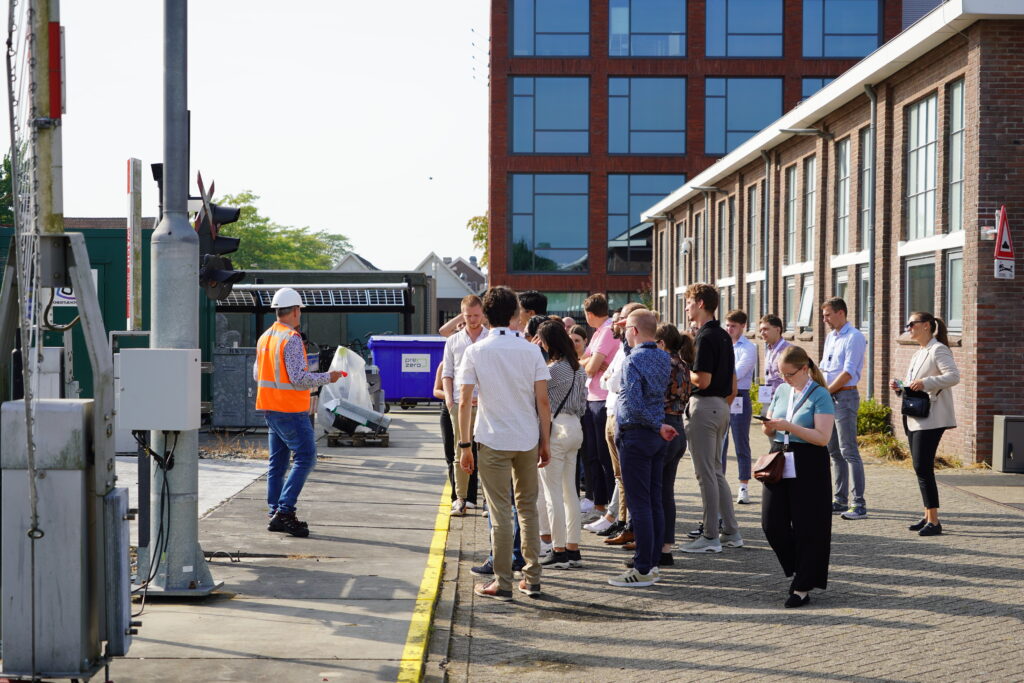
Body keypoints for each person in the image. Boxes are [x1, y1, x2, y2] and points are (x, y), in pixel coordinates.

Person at [457, 286, 551, 600]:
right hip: (527, 437)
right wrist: (545, 441)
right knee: (528, 509)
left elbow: (465, 401)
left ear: (485, 315)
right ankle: (533, 578)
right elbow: (543, 402)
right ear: (515, 314)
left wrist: (464, 445)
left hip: (492, 438)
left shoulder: (475, 351)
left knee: (499, 513)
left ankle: (503, 582)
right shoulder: (532, 350)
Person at [254, 287, 346, 537]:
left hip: (270, 408)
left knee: (278, 463)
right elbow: (298, 378)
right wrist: (330, 377)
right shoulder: (291, 338)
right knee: (306, 457)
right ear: (295, 311)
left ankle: (275, 511)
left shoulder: (266, 337)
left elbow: (256, 374)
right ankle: (284, 512)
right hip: (290, 410)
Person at [608, 309, 678, 587]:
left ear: (634, 331)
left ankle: (643, 568)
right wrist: (659, 425)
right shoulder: (663, 356)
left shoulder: (631, 361)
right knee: (653, 501)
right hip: (656, 437)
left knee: (640, 505)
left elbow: (634, 404)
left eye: (627, 329)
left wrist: (654, 425)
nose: (624, 332)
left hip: (638, 435)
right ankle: (653, 562)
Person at [761, 345, 835, 608]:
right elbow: (771, 426)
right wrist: (769, 428)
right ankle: (801, 567)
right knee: (772, 523)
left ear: (805, 369)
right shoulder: (781, 390)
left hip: (809, 461)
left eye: (790, 374)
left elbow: (822, 437)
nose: (785, 380)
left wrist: (789, 426)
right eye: (781, 374)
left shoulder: (821, 395)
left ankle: (803, 584)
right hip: (779, 457)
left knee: (808, 525)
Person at [682, 283, 742, 553]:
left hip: (705, 407)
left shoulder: (705, 337)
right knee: (716, 472)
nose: (686, 307)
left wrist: (685, 368)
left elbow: (702, 380)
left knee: (706, 474)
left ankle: (710, 536)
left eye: (689, 302)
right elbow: (732, 382)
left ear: (701, 303)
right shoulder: (722, 335)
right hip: (721, 408)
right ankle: (730, 531)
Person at [890, 312, 960, 536]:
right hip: (915, 416)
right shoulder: (920, 351)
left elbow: (953, 376)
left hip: (932, 418)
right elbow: (915, 384)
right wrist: (902, 386)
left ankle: (935, 521)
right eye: (907, 324)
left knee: (923, 468)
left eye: (912, 324)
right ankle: (927, 516)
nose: (908, 327)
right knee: (920, 468)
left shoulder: (938, 349)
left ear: (927, 326)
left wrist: (926, 382)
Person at [535, 321, 588, 568]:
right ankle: (573, 548)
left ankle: (558, 550)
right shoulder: (579, 369)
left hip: (555, 429)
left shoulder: (553, 370)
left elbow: (538, 399)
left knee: (552, 493)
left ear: (547, 343)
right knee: (570, 492)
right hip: (575, 427)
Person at [820, 297, 869, 520]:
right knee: (833, 451)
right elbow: (824, 366)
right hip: (829, 396)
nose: (825, 319)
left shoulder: (855, 337)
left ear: (841, 313)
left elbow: (848, 371)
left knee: (849, 451)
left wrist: (827, 391)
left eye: (828, 315)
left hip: (845, 396)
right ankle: (840, 500)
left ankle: (859, 504)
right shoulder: (831, 337)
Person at [442, 295, 488, 516]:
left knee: (488, 452)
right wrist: (449, 399)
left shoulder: (490, 338)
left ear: (483, 314)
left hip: (486, 404)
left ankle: (488, 500)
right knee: (460, 451)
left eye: (476, 315)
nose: (472, 320)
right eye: (468, 316)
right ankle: (460, 498)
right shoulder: (453, 340)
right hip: (460, 404)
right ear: (462, 314)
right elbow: (447, 373)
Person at [655, 323, 693, 566]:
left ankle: (654, 548)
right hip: (679, 425)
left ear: (661, 343)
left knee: (654, 492)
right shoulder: (684, 364)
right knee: (666, 492)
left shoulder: (663, 363)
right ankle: (665, 548)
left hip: (664, 427)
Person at [580, 294, 619, 523]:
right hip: (595, 397)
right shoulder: (599, 332)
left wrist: (592, 362)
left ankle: (607, 509)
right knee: (594, 455)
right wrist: (591, 362)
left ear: (590, 314)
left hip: (602, 399)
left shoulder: (605, 331)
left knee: (603, 457)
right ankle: (601, 505)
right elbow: (582, 360)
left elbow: (588, 367)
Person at [722, 310, 757, 505]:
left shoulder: (749, 348)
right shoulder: (722, 345)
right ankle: (721, 485)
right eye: (727, 325)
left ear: (743, 326)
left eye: (733, 326)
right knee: (721, 443)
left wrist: (721, 374)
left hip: (739, 396)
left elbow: (739, 372)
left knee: (741, 442)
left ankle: (743, 486)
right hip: (722, 395)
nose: (729, 329)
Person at [758, 314, 791, 414]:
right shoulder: (769, 349)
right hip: (769, 400)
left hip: (783, 401)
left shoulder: (788, 350)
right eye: (761, 330)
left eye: (765, 329)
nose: (762, 333)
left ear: (777, 329)